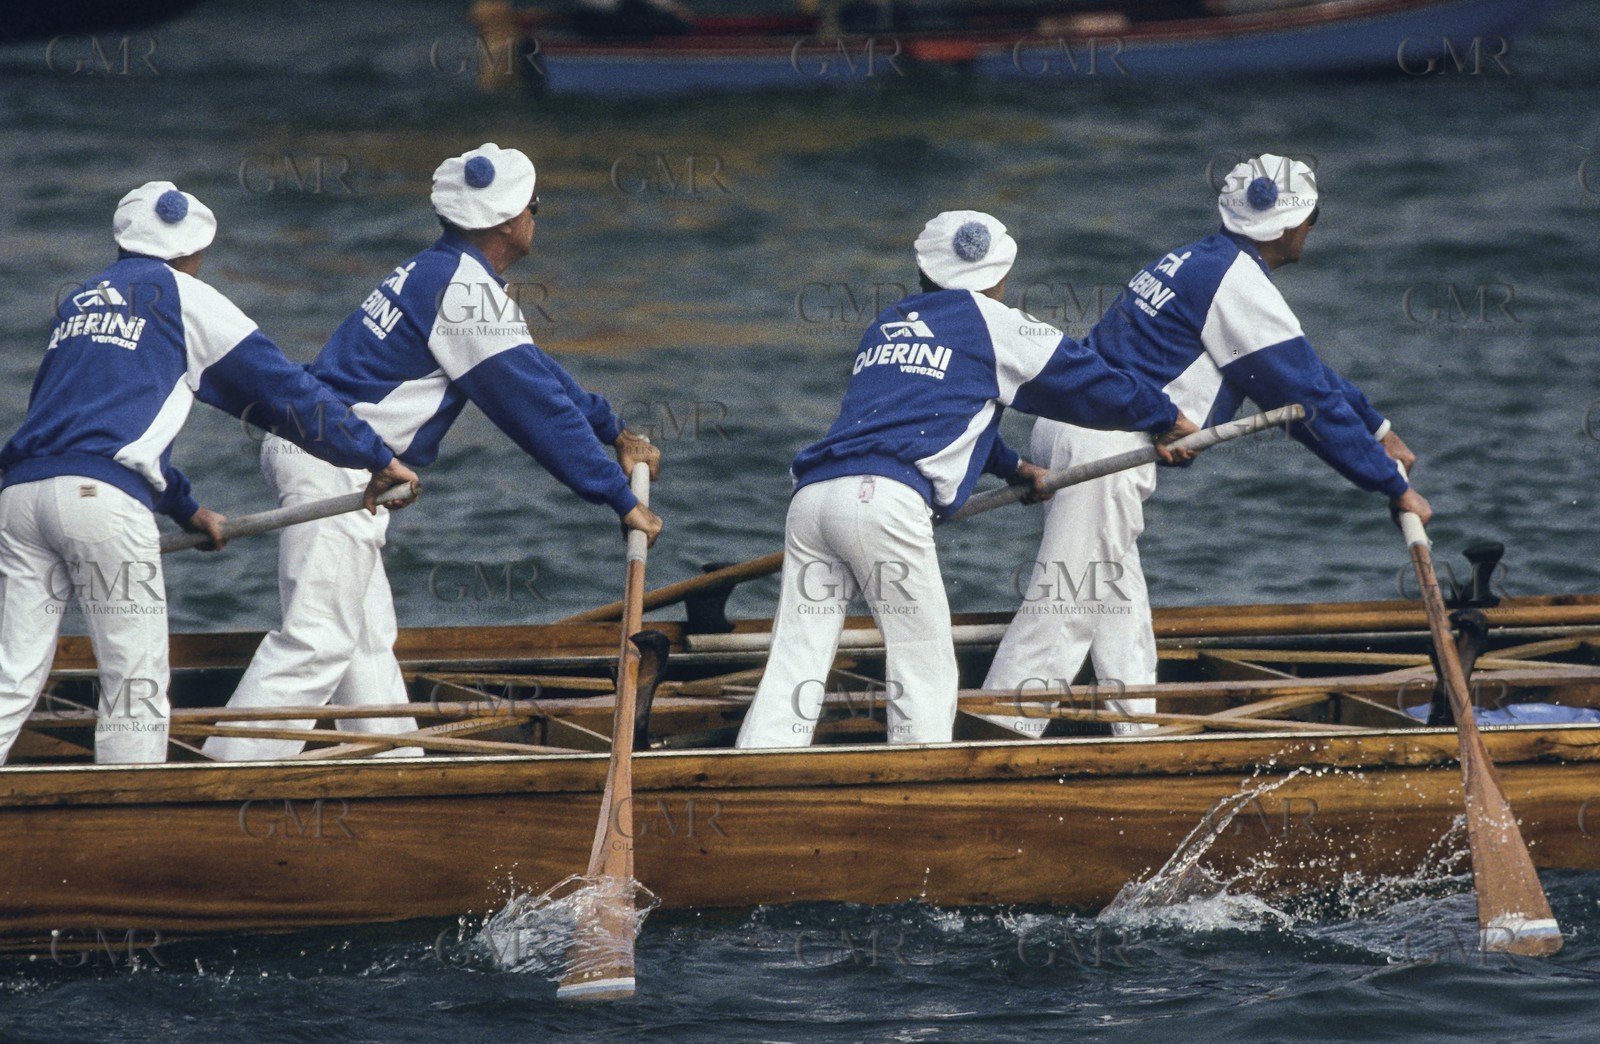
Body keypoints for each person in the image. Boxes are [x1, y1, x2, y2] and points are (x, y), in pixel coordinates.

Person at [205, 143, 662, 761]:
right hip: (337, 465)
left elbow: (534, 372)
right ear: (506, 223)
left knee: (364, 643)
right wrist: (616, 498)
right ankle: (220, 779)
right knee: (316, 639)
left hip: (327, 457)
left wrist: (612, 430)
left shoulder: (441, 273)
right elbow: (530, 407)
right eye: (534, 206)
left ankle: (394, 773)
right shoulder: (462, 292)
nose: (536, 215)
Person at [982, 154, 1430, 738]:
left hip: (1079, 432)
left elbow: (1304, 369)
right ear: (1291, 227)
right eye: (1315, 217)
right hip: (1105, 450)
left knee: (1117, 600)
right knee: (1068, 599)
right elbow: (1304, 405)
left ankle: (1137, 733)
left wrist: (1375, 427)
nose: (1314, 229)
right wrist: (1392, 486)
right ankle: (993, 734)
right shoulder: (1237, 283)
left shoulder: (1200, 260)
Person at [734, 210, 1199, 750]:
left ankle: (757, 764)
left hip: (813, 500)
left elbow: (926, 418)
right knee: (923, 662)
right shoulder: (995, 321)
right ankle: (923, 796)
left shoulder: (887, 323)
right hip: (883, 505)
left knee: (797, 659)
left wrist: (1017, 468)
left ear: (924, 272)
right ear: (999, 277)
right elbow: (1086, 381)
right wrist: (1163, 417)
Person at [0, 181, 418, 766]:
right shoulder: (185, 296)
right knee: (134, 684)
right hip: (102, 505)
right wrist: (373, 456)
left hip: (20, 496)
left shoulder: (80, 302)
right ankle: (132, 833)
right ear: (192, 253)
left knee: (13, 675)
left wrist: (187, 510)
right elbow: (283, 391)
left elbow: (92, 427)